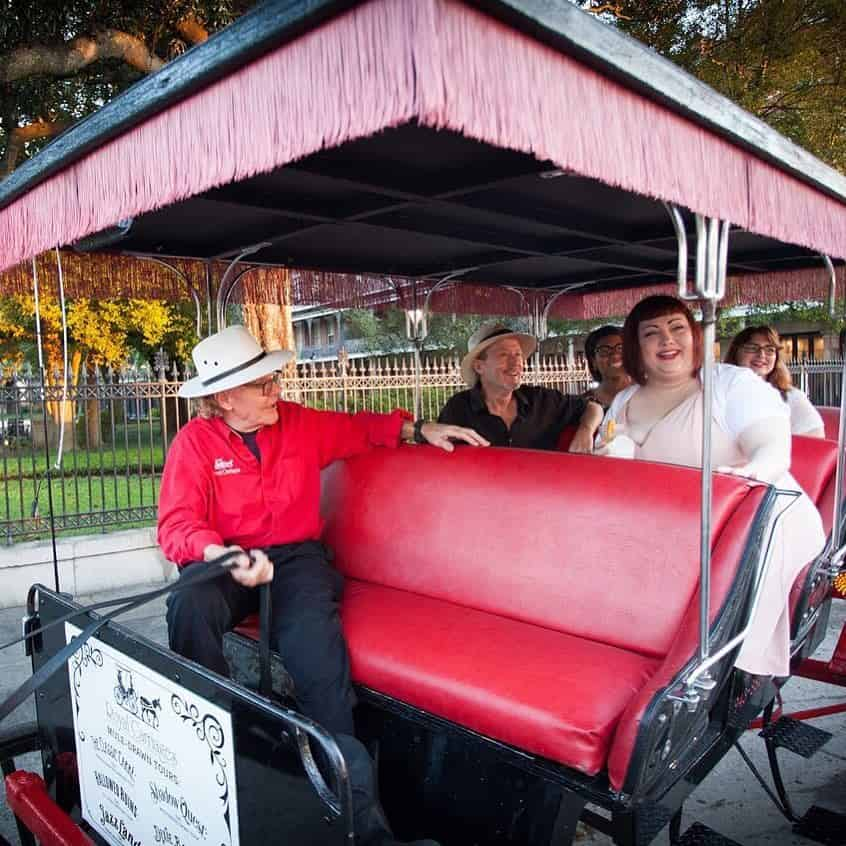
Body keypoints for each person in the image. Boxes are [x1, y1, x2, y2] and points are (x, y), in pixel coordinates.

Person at [159, 325, 487, 846]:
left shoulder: (298, 423)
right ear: (225, 397)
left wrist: (419, 428)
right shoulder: (194, 444)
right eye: (263, 384)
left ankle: (361, 820)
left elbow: (360, 429)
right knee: (187, 606)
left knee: (317, 654)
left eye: (273, 379)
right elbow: (176, 525)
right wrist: (220, 553)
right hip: (225, 558)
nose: (277, 391)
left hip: (295, 559)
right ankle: (211, 741)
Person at [598, 295, 825, 678]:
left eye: (677, 328)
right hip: (674, 525)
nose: (666, 340)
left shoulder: (730, 383)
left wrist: (748, 473)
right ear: (638, 347)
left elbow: (770, 449)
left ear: (695, 336)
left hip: (752, 517)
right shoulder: (624, 400)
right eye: (651, 333)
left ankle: (723, 674)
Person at [437, 321, 603, 451]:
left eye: (518, 354)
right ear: (479, 367)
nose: (516, 362)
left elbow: (594, 408)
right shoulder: (459, 408)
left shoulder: (542, 400)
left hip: (540, 492)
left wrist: (586, 431)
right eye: (503, 355)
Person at [724, 325, 825, 438]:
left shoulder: (790, 397)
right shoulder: (720, 394)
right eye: (752, 348)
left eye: (770, 350)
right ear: (736, 352)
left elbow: (815, 439)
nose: (761, 355)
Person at [582, 324, 632, 409]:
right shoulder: (583, 405)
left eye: (620, 348)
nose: (614, 355)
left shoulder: (648, 394)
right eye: (604, 350)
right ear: (593, 362)